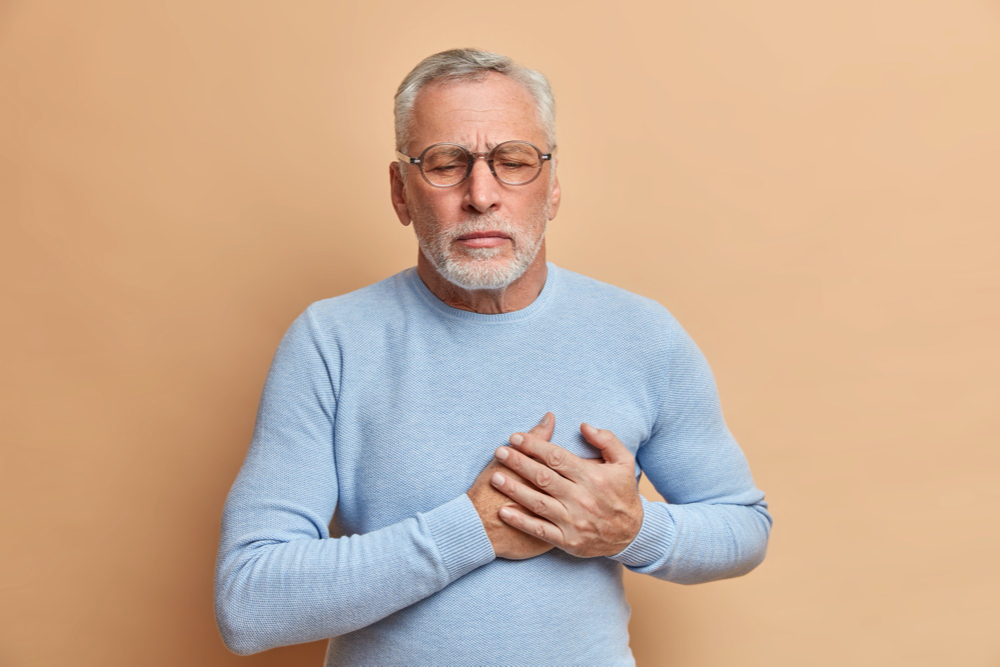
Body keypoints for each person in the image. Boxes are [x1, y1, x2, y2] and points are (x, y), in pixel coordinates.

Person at [214, 48, 772, 666]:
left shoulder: (642, 334)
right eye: (446, 164)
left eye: (513, 162)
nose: (482, 195)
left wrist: (634, 530)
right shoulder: (330, 341)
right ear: (401, 192)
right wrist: (469, 532)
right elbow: (249, 601)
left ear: (553, 186)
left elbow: (744, 527)